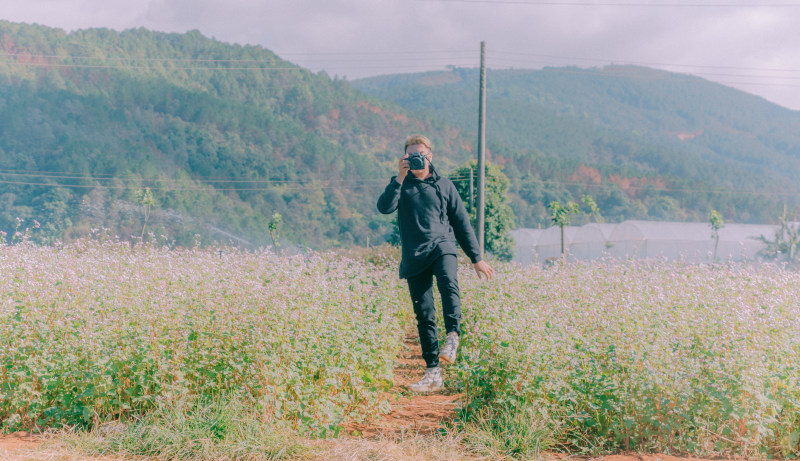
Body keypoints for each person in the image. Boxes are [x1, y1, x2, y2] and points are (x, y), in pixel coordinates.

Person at [377, 134, 494, 393]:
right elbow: (385, 208)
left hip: (443, 247)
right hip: (414, 255)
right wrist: (398, 177)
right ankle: (433, 374)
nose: (416, 158)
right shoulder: (401, 185)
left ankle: (453, 336)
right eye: (410, 155)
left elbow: (462, 224)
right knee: (424, 314)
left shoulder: (445, 185)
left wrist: (477, 259)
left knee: (448, 284)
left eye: (420, 153)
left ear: (430, 156)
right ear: (404, 158)